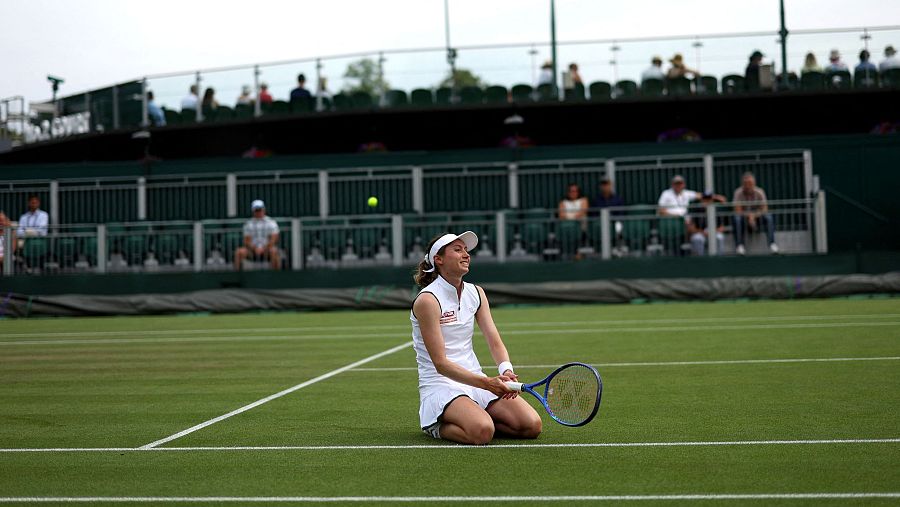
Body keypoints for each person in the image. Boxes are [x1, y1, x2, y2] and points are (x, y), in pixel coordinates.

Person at [411, 231, 542, 444]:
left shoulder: (477, 293)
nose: (466, 254)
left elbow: (494, 340)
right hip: (441, 385)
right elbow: (441, 364)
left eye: (466, 250)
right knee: (481, 432)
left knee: (531, 425)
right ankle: (434, 426)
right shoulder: (427, 300)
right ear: (439, 259)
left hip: (475, 380)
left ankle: (477, 417)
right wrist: (487, 383)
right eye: (457, 250)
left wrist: (505, 370)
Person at [732, 172, 778, 255]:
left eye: (750, 183)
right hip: (744, 218)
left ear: (754, 183)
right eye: (746, 183)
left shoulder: (759, 192)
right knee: (737, 218)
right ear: (743, 184)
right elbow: (737, 210)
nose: (748, 185)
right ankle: (739, 246)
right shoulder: (738, 193)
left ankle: (772, 244)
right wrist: (749, 216)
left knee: (769, 217)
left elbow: (764, 209)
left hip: (758, 217)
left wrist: (754, 216)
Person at [234, 200, 280, 270]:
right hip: (252, 251)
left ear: (264, 210)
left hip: (267, 250)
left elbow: (274, 239)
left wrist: (264, 248)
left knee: (274, 251)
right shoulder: (248, 224)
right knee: (239, 252)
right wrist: (255, 248)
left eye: (260, 210)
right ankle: (237, 276)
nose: (258, 212)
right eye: (256, 210)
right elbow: (246, 240)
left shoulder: (271, 222)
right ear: (253, 211)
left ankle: (276, 276)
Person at [687, 191, 725, 256]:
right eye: (705, 199)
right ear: (702, 200)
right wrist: (702, 232)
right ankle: (701, 260)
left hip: (714, 233)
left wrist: (712, 232)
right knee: (697, 239)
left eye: (709, 199)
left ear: (712, 200)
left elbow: (722, 228)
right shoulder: (696, 210)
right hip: (700, 233)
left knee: (720, 237)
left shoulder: (717, 210)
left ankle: (720, 258)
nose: (707, 201)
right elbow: (691, 228)